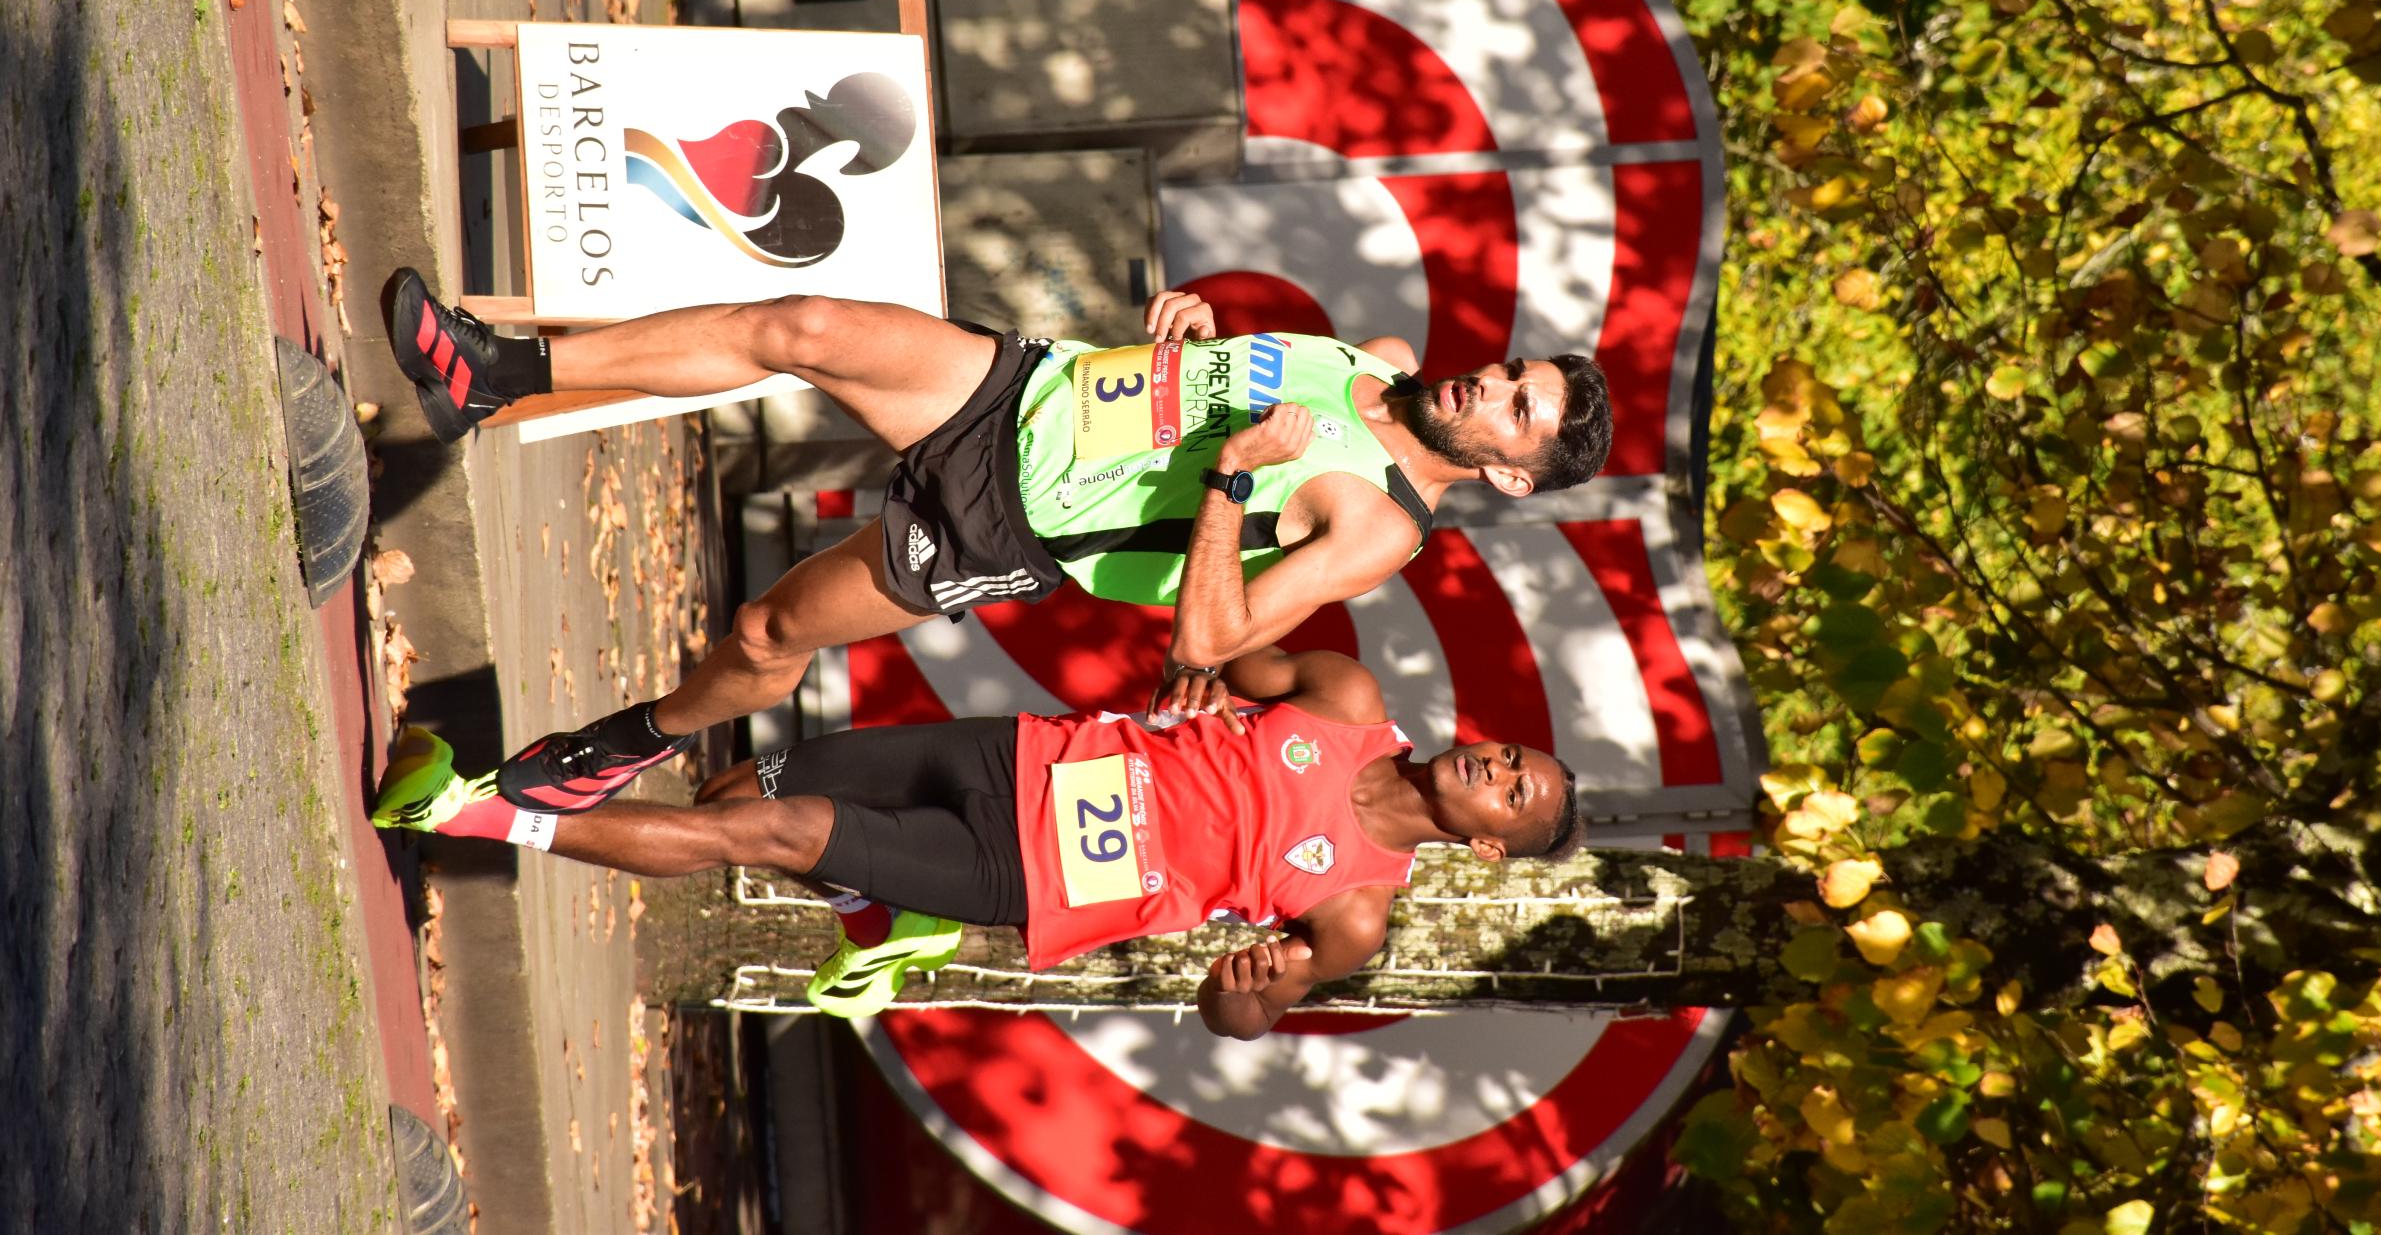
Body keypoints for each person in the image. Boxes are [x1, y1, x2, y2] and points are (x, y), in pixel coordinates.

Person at [381, 274, 1613, 816]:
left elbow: (1211, 640)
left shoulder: (1379, 526)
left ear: (1509, 468)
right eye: (1512, 371)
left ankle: (625, 742)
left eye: (1517, 409)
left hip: (1008, 524)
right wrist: (1184, 335)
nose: (1489, 387)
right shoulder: (1381, 363)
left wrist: (1232, 481)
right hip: (1023, 394)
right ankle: (495, 373)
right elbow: (1206, 388)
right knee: (796, 323)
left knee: (769, 634)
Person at [372, 646, 1585, 1038]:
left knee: (764, 829)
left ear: (1485, 847)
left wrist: (1246, 987)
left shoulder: (1358, 912)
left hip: (1041, 872)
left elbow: (1238, 1017)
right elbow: (1219, 638)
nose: (1497, 768)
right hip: (1019, 755)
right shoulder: (1343, 693)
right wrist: (1208, 665)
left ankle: (462, 808)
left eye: (1513, 794)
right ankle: (880, 918)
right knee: (749, 783)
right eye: (1514, 754)